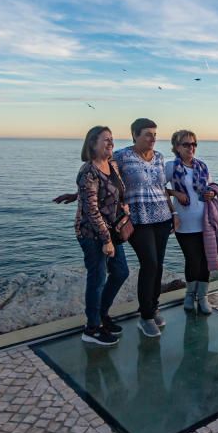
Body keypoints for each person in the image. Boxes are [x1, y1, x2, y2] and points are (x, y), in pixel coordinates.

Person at [114, 118, 174, 339]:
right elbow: (104, 180)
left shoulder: (159, 157)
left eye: (155, 134)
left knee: (158, 265)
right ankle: (145, 316)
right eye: (148, 134)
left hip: (162, 217)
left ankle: (154, 306)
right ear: (135, 135)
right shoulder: (121, 156)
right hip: (138, 219)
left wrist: (173, 213)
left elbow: (162, 187)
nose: (153, 139)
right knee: (149, 263)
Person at [74, 126, 130, 346]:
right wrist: (106, 240)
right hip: (92, 233)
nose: (111, 143)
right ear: (92, 144)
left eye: (112, 139)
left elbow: (116, 193)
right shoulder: (87, 172)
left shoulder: (113, 165)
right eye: (106, 140)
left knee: (121, 272)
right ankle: (92, 328)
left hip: (113, 230)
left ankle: (102, 314)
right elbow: (91, 209)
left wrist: (124, 208)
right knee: (97, 278)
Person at [166, 130, 218, 314]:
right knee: (192, 260)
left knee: (205, 260)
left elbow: (211, 188)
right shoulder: (170, 167)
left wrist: (211, 193)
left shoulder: (202, 166)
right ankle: (189, 295)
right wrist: (175, 193)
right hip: (184, 223)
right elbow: (157, 188)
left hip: (205, 222)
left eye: (194, 144)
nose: (191, 148)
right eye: (186, 144)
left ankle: (203, 297)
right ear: (176, 147)